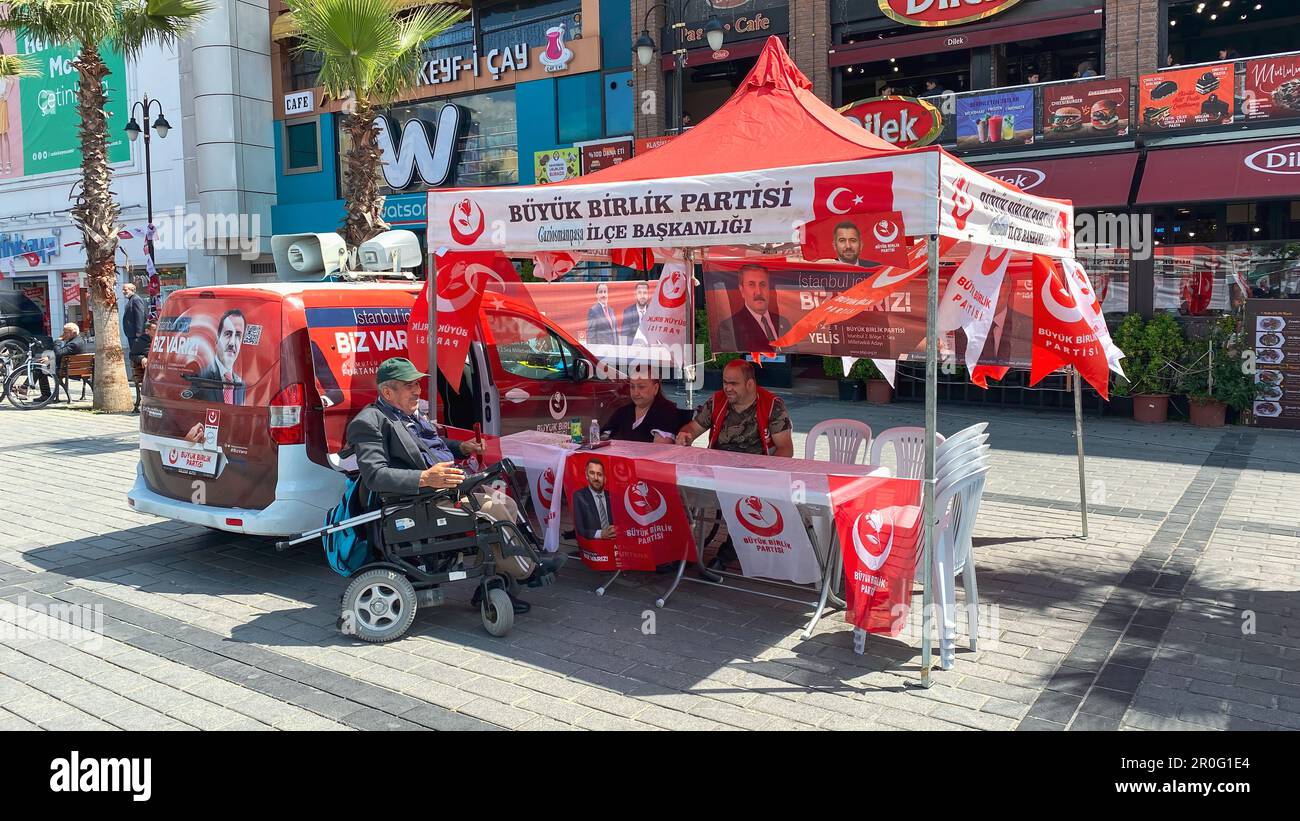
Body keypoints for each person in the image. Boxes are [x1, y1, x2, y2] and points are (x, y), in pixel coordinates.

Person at [346, 357, 557, 614]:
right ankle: (529, 571)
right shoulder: (368, 422)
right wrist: (425, 478)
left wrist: (461, 447)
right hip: (421, 498)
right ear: (387, 391)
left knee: (508, 504)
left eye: (417, 385)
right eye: (409, 385)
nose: (417, 391)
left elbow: (430, 446)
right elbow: (375, 476)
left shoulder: (409, 413)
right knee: (494, 510)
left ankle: (494, 586)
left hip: (449, 485)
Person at [675, 359, 794, 570]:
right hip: (717, 471)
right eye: (724, 382)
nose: (727, 388)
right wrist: (686, 435)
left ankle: (729, 552)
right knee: (677, 488)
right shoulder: (717, 400)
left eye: (733, 383)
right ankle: (679, 548)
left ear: (750, 384)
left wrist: (765, 474)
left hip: (755, 474)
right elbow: (694, 427)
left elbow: (785, 448)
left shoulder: (772, 405)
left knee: (746, 501)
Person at [714, 264, 792, 351]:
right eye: (751, 285)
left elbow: (793, 353)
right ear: (742, 290)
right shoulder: (729, 327)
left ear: (769, 288)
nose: (758, 292)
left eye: (763, 284)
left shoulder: (784, 323)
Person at [191, 308, 247, 404]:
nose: (232, 343)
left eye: (238, 335)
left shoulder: (240, 385)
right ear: (217, 340)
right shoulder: (200, 377)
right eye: (228, 334)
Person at [602, 377, 681, 443]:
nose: (636, 393)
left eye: (641, 387)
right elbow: (602, 439)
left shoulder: (666, 411)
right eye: (632, 387)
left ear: (655, 388)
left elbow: (660, 448)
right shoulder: (622, 412)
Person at [36, 322, 88, 400]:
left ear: (73, 332)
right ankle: (25, 387)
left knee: (41, 369)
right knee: (39, 364)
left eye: (65, 332)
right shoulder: (77, 340)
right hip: (75, 369)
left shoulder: (74, 343)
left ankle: (45, 395)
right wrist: (49, 357)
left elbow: (59, 353)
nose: (63, 334)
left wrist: (58, 341)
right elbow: (63, 352)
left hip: (66, 371)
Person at [572, 458, 618, 543]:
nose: (596, 478)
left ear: (604, 477)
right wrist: (601, 534)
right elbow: (580, 529)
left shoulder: (613, 496)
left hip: (615, 543)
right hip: (594, 546)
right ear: (587, 475)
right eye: (592, 473)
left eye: (599, 474)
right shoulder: (579, 496)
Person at [121, 282, 148, 374]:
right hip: (132, 335)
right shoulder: (131, 300)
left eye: (125, 289)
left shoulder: (136, 300)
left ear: (132, 290)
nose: (123, 291)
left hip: (135, 336)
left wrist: (138, 334)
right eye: (123, 290)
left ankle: (141, 375)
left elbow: (140, 316)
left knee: (137, 355)